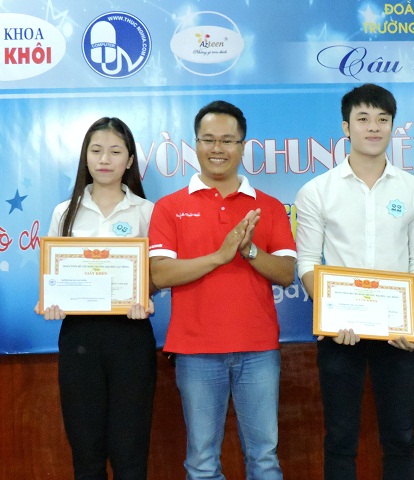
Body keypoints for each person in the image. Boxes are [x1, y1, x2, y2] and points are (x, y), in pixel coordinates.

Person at [148, 100, 296, 480]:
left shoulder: (268, 207)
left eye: (228, 140)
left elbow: (286, 273)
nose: (218, 148)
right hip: (195, 351)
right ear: (195, 144)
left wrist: (248, 251)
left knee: (264, 459)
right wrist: (219, 256)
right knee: (202, 463)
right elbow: (159, 274)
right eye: (209, 139)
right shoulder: (169, 207)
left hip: (258, 349)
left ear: (243, 146)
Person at [295, 83, 414, 480]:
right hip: (340, 334)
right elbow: (307, 262)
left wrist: (412, 321)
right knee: (340, 439)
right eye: (363, 118)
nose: (373, 127)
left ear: (392, 126)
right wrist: (332, 315)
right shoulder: (316, 191)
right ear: (346, 127)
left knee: (401, 437)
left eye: (382, 119)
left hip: (398, 334)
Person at [37, 117, 157, 480]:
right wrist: (50, 299)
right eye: (96, 150)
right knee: (86, 454)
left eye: (115, 151)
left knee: (130, 454)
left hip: (131, 337)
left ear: (130, 160)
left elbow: (156, 275)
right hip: (80, 339)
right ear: (85, 157)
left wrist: (146, 294)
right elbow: (52, 275)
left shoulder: (146, 211)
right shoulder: (65, 212)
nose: (105, 159)